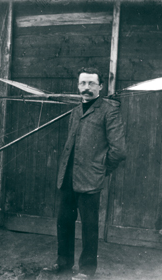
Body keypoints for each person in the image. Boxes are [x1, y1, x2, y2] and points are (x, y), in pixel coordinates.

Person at [44, 67, 127, 280]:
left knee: (89, 227)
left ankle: (86, 271)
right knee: (64, 222)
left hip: (90, 180)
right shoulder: (75, 111)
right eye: (83, 83)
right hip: (68, 178)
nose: (86, 88)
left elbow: (119, 151)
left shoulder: (110, 111)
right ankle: (63, 264)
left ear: (100, 86)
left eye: (91, 83)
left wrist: (101, 170)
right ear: (78, 85)